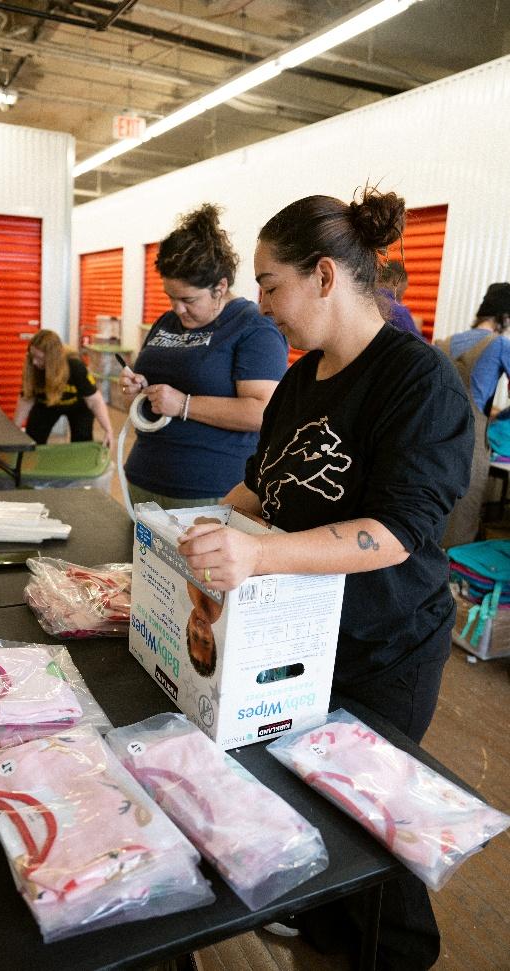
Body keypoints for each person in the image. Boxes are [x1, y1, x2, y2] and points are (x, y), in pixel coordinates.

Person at [178, 186, 474, 971]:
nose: (262, 305)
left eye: (270, 285)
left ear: (323, 275)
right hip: (301, 633)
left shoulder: (418, 381)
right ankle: (322, 928)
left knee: (370, 823)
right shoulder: (303, 378)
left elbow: (395, 534)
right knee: (307, 796)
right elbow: (261, 487)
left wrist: (258, 556)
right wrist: (190, 528)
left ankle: (397, 953)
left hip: (385, 644)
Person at [120, 203, 288, 508]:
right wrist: (137, 388)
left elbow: (262, 412)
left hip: (209, 490)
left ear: (220, 287)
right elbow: (155, 392)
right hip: (143, 478)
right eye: (170, 297)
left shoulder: (253, 328)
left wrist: (183, 404)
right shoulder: (167, 322)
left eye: (188, 299)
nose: (177, 309)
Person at [436, 282, 510, 548]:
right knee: (462, 521)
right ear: (505, 318)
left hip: (434, 440)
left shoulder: (443, 344)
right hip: (471, 445)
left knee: (432, 513)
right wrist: (502, 417)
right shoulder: (500, 345)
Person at [13, 329, 113, 447]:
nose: (34, 362)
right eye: (32, 356)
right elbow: (26, 399)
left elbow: (95, 401)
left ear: (52, 359)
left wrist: (108, 429)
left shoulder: (75, 367)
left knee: (82, 443)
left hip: (78, 407)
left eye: (40, 358)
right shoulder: (33, 369)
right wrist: (14, 430)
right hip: (47, 404)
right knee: (33, 440)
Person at [376, 259, 424, 338]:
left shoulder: (367, 301)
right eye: (404, 290)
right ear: (396, 281)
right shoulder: (398, 311)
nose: (402, 296)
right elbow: (416, 341)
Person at [185, 580, 223, 677]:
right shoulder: (217, 606)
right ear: (212, 636)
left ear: (188, 625)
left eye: (195, 635)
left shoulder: (191, 592)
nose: (200, 629)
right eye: (206, 641)